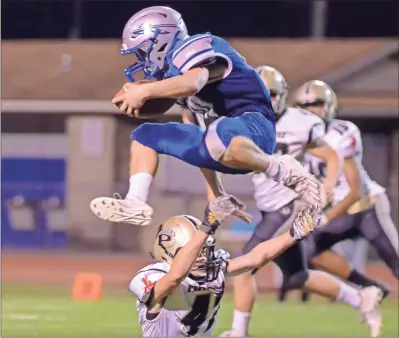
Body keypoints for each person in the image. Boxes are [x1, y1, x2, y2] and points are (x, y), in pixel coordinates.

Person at [89, 6, 326, 227]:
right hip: (226, 145)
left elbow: (194, 82)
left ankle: (286, 172)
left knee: (221, 132)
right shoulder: (175, 80)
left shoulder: (198, 45)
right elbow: (201, 142)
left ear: (159, 40)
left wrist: (145, 90)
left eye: (142, 51)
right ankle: (136, 202)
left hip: (256, 128)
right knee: (144, 135)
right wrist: (217, 195)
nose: (141, 60)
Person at [220, 68, 383, 338]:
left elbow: (332, 156)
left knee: (244, 267)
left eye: (270, 94)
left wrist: (328, 186)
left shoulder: (300, 122)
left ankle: (239, 332)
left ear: (282, 96)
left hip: (289, 205)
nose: (264, 99)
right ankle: (362, 297)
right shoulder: (245, 121)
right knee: (297, 277)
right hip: (269, 206)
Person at [129, 195, 321, 337]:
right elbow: (174, 279)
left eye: (205, 250)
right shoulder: (153, 275)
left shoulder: (214, 268)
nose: (203, 256)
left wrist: (292, 235)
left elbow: (255, 258)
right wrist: (206, 227)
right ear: (169, 252)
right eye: (196, 251)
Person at [294, 80, 399, 285]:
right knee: (309, 252)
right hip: (341, 212)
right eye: (304, 106)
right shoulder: (297, 139)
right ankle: (370, 286)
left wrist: (325, 217)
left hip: (367, 207)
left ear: (329, 105)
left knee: (396, 263)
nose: (310, 111)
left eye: (316, 104)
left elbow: (355, 190)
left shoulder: (341, 132)